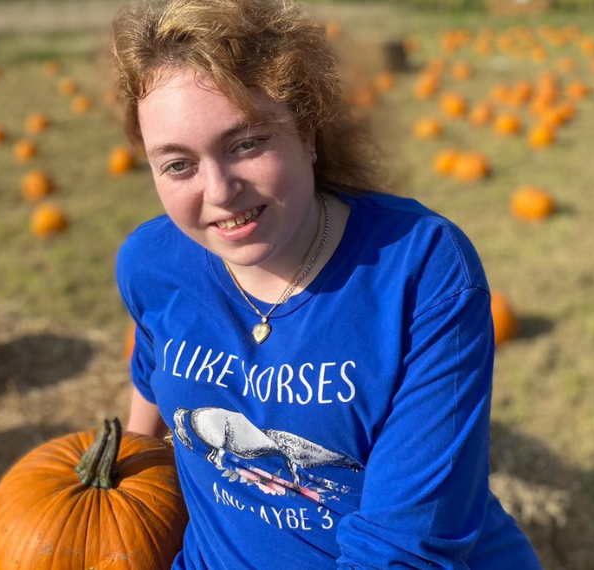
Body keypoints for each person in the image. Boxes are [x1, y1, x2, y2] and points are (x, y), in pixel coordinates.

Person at [112, 0, 543, 568]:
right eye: (178, 164)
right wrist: (118, 499)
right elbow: (152, 375)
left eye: (245, 143)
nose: (218, 191)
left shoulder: (420, 270)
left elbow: (401, 550)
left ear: (307, 130)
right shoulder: (153, 262)